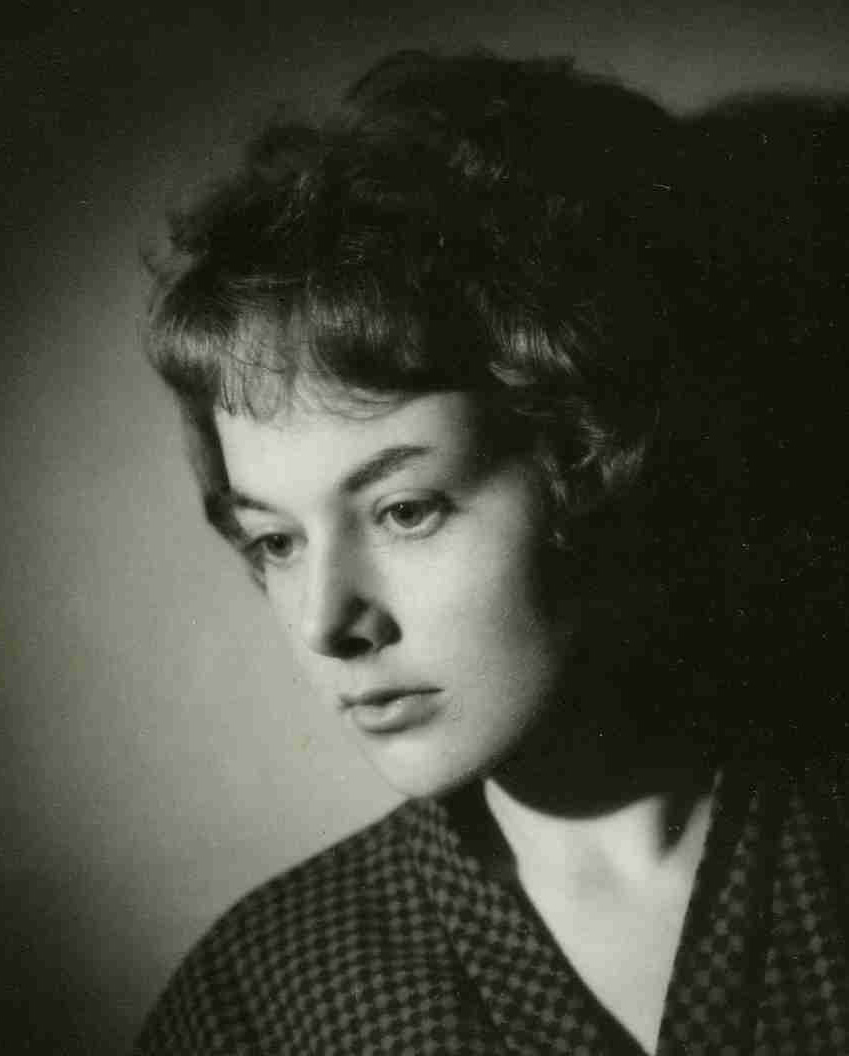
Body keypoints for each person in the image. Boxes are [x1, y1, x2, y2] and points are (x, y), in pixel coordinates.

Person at [133, 50, 848, 1055]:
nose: (327, 622)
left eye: (405, 511)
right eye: (277, 541)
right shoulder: (261, 999)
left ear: (591, 462)